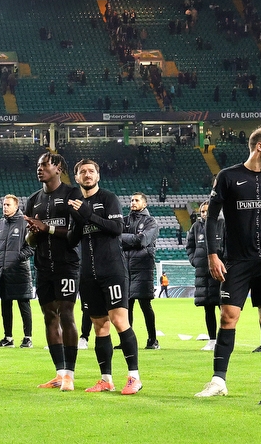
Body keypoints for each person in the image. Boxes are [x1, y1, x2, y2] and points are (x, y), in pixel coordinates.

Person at [195, 127, 261, 399]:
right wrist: (212, 254)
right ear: (259, 147)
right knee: (228, 316)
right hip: (237, 261)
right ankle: (218, 380)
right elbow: (211, 218)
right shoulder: (228, 176)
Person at [68, 159, 142, 395]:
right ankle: (106, 379)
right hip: (88, 274)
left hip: (112, 270)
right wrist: (79, 219)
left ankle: (134, 377)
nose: (87, 175)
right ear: (77, 177)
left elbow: (117, 230)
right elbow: (71, 241)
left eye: (91, 171)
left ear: (98, 176)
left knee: (120, 321)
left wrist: (88, 214)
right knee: (100, 326)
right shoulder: (76, 205)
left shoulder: (109, 199)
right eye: (82, 172)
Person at [23, 152, 80, 391]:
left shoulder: (72, 195)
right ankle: (59, 372)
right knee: (49, 316)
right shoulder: (33, 199)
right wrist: (33, 234)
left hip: (67, 263)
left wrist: (47, 229)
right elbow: (29, 241)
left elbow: (76, 234)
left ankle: (70, 374)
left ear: (58, 168)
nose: (40, 169)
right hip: (43, 266)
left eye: (45, 165)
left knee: (66, 313)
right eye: (38, 165)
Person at [0, 195, 33, 349]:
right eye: (4, 204)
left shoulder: (24, 223)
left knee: (23, 304)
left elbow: (32, 246)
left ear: (16, 206)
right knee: (5, 305)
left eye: (8, 205)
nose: (5, 207)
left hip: (19, 271)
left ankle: (27, 338)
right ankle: (8, 338)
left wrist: (18, 257)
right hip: (2, 272)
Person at [122, 193, 160, 349]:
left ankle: (153, 340)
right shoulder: (124, 220)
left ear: (144, 204)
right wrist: (132, 239)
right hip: (125, 266)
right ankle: (127, 342)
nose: (133, 202)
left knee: (145, 305)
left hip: (143, 267)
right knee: (126, 306)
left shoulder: (151, 222)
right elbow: (115, 239)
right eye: (131, 200)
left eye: (136, 200)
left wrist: (125, 238)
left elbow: (142, 240)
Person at [186, 202, 222, 351]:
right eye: (202, 211)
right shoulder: (196, 227)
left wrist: (223, 261)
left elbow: (229, 243)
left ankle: (224, 340)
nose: (204, 214)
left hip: (220, 272)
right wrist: (195, 261)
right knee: (208, 308)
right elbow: (190, 246)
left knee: (224, 308)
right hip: (203, 274)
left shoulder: (222, 224)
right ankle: (212, 341)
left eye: (207, 211)